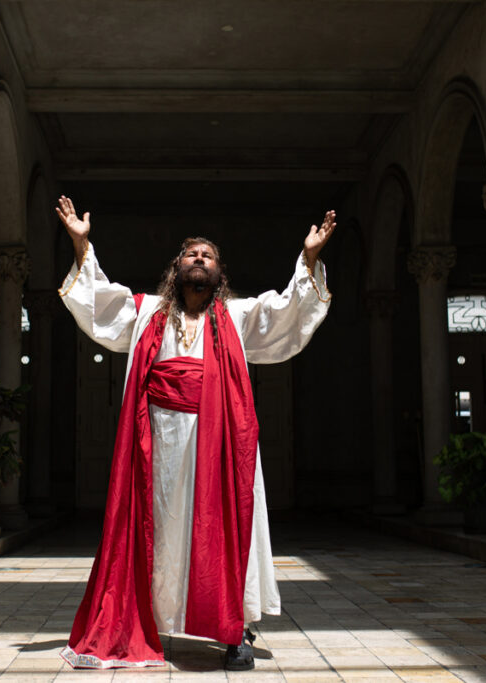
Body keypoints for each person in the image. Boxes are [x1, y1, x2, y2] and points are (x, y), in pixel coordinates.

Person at [55, 195, 334, 670]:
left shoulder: (239, 317)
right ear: (177, 268)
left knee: (224, 525)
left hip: (219, 444)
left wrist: (308, 258)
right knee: (161, 530)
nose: (199, 260)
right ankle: (150, 621)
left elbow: (287, 312)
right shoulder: (146, 314)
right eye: (191, 254)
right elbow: (101, 302)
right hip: (157, 446)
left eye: (207, 256)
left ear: (219, 272)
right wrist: (83, 247)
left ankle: (234, 629)